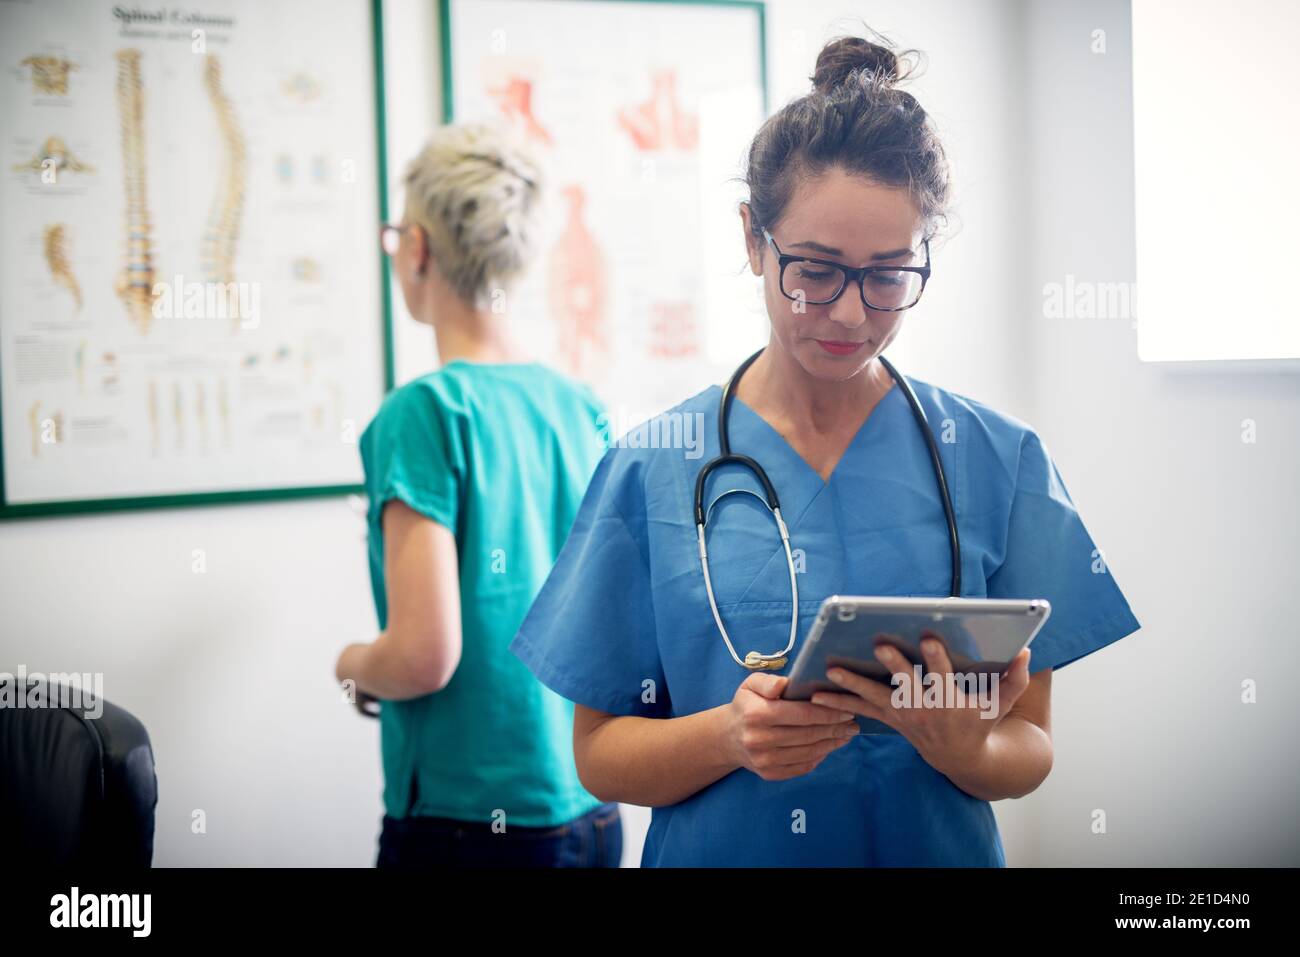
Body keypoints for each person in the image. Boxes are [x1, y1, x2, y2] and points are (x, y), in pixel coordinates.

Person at [509, 31, 1141, 866]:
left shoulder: (998, 458)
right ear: (751, 240)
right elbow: (598, 754)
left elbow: (1028, 745)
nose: (849, 314)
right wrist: (730, 737)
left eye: (888, 274)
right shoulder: (653, 464)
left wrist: (965, 748)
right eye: (814, 268)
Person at [334, 123, 621, 868]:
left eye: (397, 233)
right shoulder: (580, 404)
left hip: (465, 826)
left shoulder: (422, 414)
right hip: (591, 807)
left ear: (419, 247)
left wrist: (353, 662)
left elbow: (423, 657)